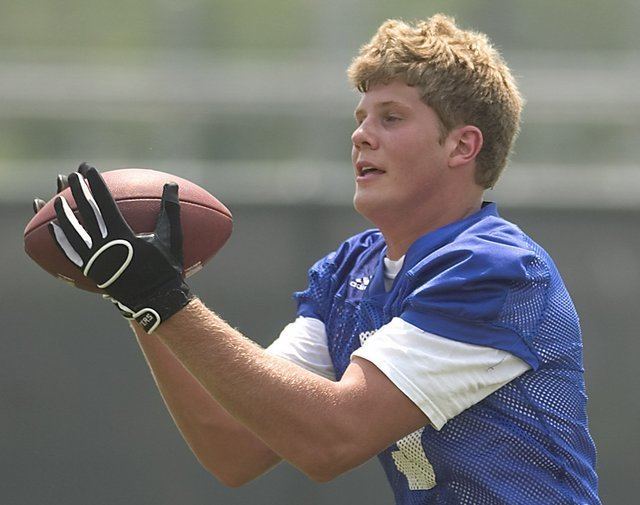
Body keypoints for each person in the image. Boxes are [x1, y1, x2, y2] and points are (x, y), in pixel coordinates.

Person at [41, 14, 600, 505]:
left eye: (391, 117)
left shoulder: (493, 269)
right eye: (361, 117)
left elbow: (331, 438)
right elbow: (233, 446)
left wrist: (163, 298)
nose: (361, 135)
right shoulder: (348, 272)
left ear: (461, 146)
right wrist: (139, 299)